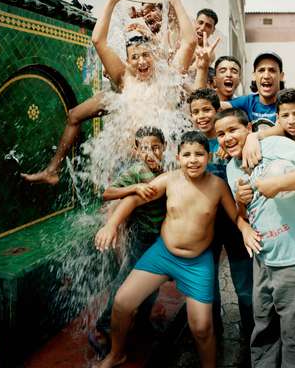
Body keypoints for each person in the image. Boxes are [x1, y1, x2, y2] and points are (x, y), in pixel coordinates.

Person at [94, 131, 256, 368]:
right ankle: (117, 353)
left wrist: (245, 228)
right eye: (187, 154)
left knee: (202, 327)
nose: (193, 160)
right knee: (122, 303)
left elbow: (235, 216)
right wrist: (111, 225)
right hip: (162, 255)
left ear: (208, 157)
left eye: (199, 154)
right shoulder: (169, 179)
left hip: (197, 262)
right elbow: (134, 199)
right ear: (178, 157)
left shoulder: (218, 185)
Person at [21, 0, 196, 184]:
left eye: (146, 55)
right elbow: (98, 40)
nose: (141, 62)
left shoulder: (168, 79)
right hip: (128, 161)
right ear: (128, 62)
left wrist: (176, 2)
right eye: (135, 58)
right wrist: (112, 2)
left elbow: (190, 41)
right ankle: (53, 170)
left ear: (154, 56)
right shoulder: (125, 79)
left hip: (162, 162)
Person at [214, 108, 295, 368]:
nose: (227, 137)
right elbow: (247, 213)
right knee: (264, 333)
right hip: (265, 260)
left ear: (249, 129)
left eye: (233, 130)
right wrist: (242, 212)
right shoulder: (232, 167)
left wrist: (279, 184)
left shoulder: (276, 144)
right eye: (220, 134)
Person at [88, 126, 167, 356]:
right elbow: (107, 193)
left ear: (164, 148)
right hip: (140, 237)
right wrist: (133, 188)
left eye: (155, 147)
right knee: (125, 281)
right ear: (136, 151)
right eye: (144, 149)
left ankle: (143, 321)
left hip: (159, 238)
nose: (150, 153)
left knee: (152, 284)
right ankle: (103, 326)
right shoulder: (135, 172)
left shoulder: (167, 169)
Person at [187, 88, 254, 337]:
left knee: (245, 284)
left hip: (236, 221)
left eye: (207, 110)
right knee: (207, 283)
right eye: (195, 112)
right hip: (205, 226)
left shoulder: (232, 139)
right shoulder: (189, 143)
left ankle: (251, 336)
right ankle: (212, 337)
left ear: (217, 111)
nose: (201, 116)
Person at [220, 52, 284, 125]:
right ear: (254, 76)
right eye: (261, 70)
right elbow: (212, 107)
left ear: (281, 76)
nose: (266, 76)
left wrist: (257, 135)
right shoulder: (247, 102)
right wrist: (204, 67)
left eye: (272, 70)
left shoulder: (288, 103)